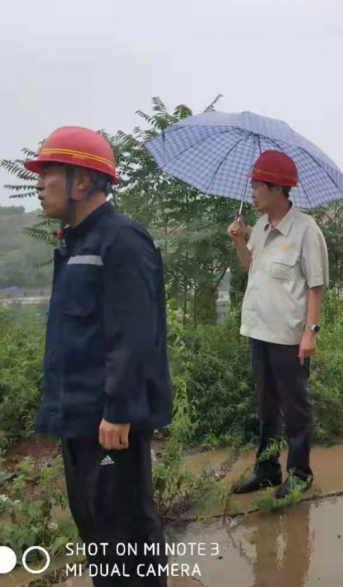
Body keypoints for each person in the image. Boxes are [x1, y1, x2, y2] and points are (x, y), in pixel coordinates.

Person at [29, 127, 172, 586]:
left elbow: (134, 335)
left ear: (83, 182)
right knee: (97, 532)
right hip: (78, 417)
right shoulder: (75, 241)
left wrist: (118, 411)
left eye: (48, 171)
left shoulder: (122, 241)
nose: (38, 182)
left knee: (126, 535)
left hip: (110, 424)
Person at [228, 150, 329, 499]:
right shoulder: (260, 226)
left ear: (277, 189)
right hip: (259, 332)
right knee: (266, 406)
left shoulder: (305, 230)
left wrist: (310, 332)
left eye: (257, 185)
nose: (252, 191)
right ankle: (267, 469)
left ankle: (300, 473)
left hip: (289, 338)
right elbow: (251, 268)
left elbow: (316, 286)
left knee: (295, 407)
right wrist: (239, 241)